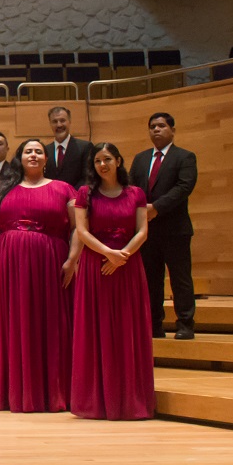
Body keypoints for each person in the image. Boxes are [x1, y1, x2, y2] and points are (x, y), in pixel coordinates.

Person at [0, 139, 80, 413]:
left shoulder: (64, 189)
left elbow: (78, 228)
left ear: (47, 159)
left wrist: (72, 259)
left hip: (50, 263)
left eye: (38, 151)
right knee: (11, 323)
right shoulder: (0, 189)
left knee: (50, 323)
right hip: (7, 265)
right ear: (19, 157)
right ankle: (10, 391)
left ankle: (51, 391)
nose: (33, 155)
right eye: (27, 151)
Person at [72, 142, 155, 420]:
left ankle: (130, 399)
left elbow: (142, 230)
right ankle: (96, 400)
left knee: (127, 327)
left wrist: (123, 255)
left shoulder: (136, 193)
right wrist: (108, 253)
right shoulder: (85, 193)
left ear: (119, 161)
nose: (102, 165)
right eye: (97, 161)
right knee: (96, 328)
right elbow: (81, 231)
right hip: (96, 265)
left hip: (128, 266)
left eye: (107, 159)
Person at [129, 112, 198, 339]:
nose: (156, 130)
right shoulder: (140, 159)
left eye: (161, 126)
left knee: (180, 279)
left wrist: (155, 207)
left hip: (175, 230)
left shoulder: (185, 157)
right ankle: (154, 325)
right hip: (147, 231)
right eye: (152, 127)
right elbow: (131, 189)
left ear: (172, 130)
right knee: (151, 280)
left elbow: (184, 187)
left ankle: (185, 324)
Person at [44, 106, 92, 188]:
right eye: (54, 121)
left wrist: (73, 197)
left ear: (69, 121)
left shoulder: (85, 147)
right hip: (51, 198)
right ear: (50, 124)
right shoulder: (45, 150)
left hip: (76, 198)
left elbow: (88, 177)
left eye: (62, 120)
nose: (59, 125)